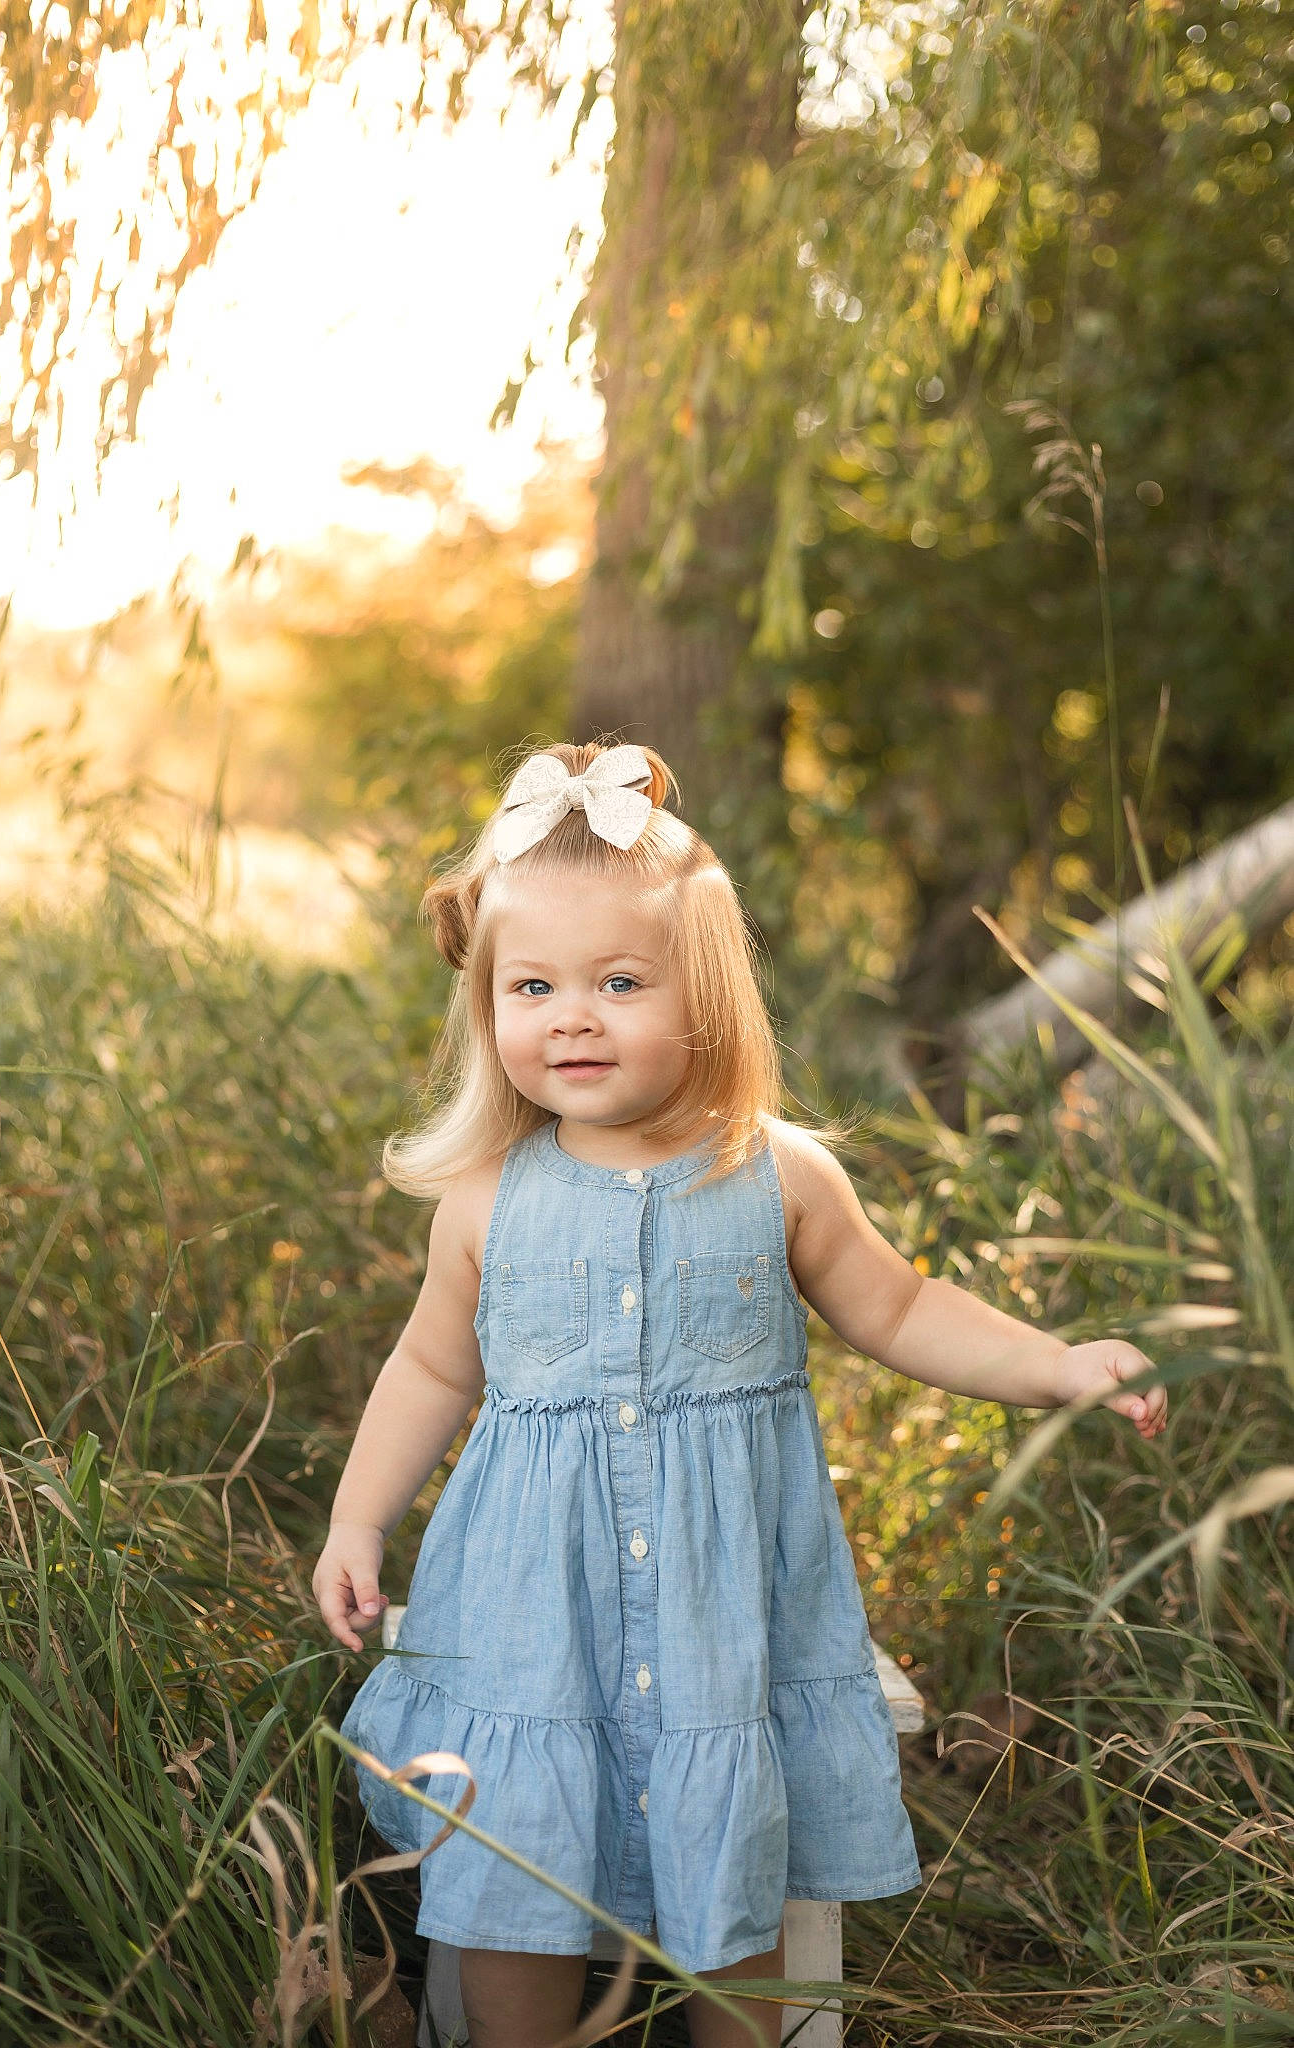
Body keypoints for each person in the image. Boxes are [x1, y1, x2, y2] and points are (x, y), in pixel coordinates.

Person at [314, 739, 1167, 2048]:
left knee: (741, 1865)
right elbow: (433, 1365)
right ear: (487, 1006)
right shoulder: (484, 1200)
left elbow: (898, 1306)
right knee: (512, 1874)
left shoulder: (778, 1177)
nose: (572, 1016)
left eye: (618, 982)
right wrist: (358, 1524)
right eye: (531, 986)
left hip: (727, 1623)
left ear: (706, 998)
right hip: (530, 1623)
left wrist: (1056, 1363)